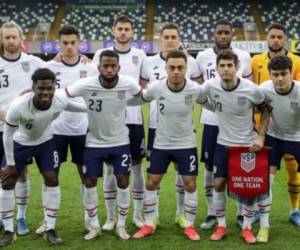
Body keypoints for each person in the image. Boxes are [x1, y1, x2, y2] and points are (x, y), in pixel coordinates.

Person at [0, 68, 86, 246]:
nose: (46, 92)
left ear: (54, 87)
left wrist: (91, 108)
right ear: (33, 87)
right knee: (8, 181)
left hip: (45, 143)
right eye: (41, 88)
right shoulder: (18, 105)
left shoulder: (59, 99)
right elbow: (7, 135)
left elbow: (71, 105)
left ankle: (50, 228)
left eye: (49, 88)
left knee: (52, 179)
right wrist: (10, 164)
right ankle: (9, 231)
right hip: (20, 143)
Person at [65, 50, 142, 240]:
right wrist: (84, 107)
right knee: (89, 181)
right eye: (105, 66)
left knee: (123, 181)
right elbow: (63, 95)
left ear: (118, 67)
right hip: (94, 143)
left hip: (121, 142)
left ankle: (121, 225)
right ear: (98, 67)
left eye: (112, 66)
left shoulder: (128, 83)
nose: (109, 69)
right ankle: (94, 225)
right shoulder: (86, 84)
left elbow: (143, 96)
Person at [131, 50, 203, 241]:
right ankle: (148, 223)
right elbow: (140, 99)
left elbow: (212, 103)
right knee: (152, 182)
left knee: (190, 183)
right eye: (172, 67)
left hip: (186, 144)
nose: (176, 71)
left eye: (180, 67)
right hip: (161, 144)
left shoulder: (195, 89)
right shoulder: (156, 87)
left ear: (186, 68)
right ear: (166, 68)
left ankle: (189, 225)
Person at [200, 50, 270, 244]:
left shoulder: (251, 89)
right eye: (222, 66)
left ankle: (247, 228)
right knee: (218, 183)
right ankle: (221, 225)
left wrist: (261, 137)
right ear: (217, 68)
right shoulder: (211, 86)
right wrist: (211, 107)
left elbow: (265, 110)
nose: (226, 69)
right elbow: (197, 95)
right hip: (223, 144)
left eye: (230, 65)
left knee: (247, 188)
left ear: (237, 67)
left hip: (248, 145)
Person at [36, 25, 98, 235]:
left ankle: (89, 219)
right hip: (55, 130)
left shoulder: (91, 68)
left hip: (82, 130)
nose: (70, 47)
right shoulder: (49, 68)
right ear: (58, 44)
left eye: (73, 43)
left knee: (86, 176)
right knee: (50, 175)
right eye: (65, 43)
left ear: (79, 43)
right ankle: (47, 219)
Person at [196, 19, 252, 229]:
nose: (222, 36)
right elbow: (202, 89)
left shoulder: (244, 56)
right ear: (213, 34)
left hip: (238, 124)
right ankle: (212, 213)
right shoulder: (202, 56)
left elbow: (248, 88)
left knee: (239, 169)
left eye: (226, 33)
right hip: (211, 121)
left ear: (232, 35)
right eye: (219, 32)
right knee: (210, 168)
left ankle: (239, 213)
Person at [93, 15, 146, 230]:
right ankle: (110, 217)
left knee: (136, 167)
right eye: (120, 29)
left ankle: (138, 214)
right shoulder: (100, 54)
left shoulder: (140, 55)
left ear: (132, 33)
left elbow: (142, 85)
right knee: (109, 169)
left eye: (127, 29)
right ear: (113, 31)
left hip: (133, 119)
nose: (123, 32)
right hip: (108, 121)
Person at [252, 23, 300, 226]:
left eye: (280, 37)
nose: (276, 40)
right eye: (272, 36)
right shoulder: (256, 61)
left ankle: (294, 209)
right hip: (269, 128)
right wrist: (260, 132)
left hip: (295, 128)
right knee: (264, 172)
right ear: (267, 39)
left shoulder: (297, 62)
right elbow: (257, 100)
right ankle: (260, 215)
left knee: (292, 171)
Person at [0, 21, 45, 235]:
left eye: (14, 37)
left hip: (21, 131)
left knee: (20, 174)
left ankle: (21, 218)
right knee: (3, 175)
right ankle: (3, 216)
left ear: (21, 40)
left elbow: (52, 72)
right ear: (2, 40)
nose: (11, 41)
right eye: (7, 37)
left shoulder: (33, 62)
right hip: (0, 126)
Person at [258, 56, 300, 242]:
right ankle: (264, 226)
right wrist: (260, 135)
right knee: (267, 180)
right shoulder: (264, 89)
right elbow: (262, 110)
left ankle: (294, 211)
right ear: (270, 75)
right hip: (274, 136)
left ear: (291, 73)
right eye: (275, 75)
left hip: (298, 137)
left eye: (284, 74)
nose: (280, 78)